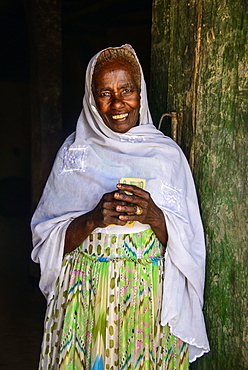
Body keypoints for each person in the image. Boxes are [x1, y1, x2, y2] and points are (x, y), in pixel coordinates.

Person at [31, 44, 209, 369]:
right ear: (90, 98)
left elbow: (191, 244)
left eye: (126, 90)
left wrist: (156, 217)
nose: (117, 104)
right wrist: (91, 219)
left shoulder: (167, 157)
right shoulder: (74, 155)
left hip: (148, 302)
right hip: (86, 300)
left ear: (140, 94)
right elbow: (46, 240)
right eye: (104, 93)